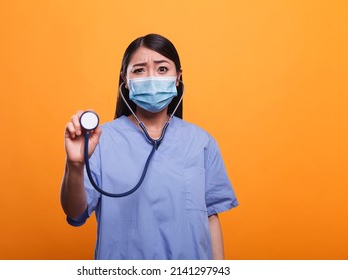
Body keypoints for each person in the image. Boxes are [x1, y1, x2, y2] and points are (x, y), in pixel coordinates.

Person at [60, 33, 238, 260]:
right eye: (139, 70)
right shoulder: (100, 140)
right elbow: (74, 212)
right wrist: (75, 165)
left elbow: (211, 217)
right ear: (125, 80)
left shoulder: (201, 142)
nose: (151, 78)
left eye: (162, 69)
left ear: (178, 77)